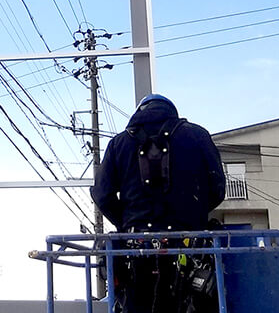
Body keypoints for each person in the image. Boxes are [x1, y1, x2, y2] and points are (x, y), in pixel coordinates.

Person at [91, 93, 226, 313]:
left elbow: (102, 194)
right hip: (190, 246)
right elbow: (218, 189)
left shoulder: (119, 143)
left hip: (136, 248)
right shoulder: (198, 136)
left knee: (136, 303)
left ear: (139, 112)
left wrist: (126, 223)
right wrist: (193, 215)